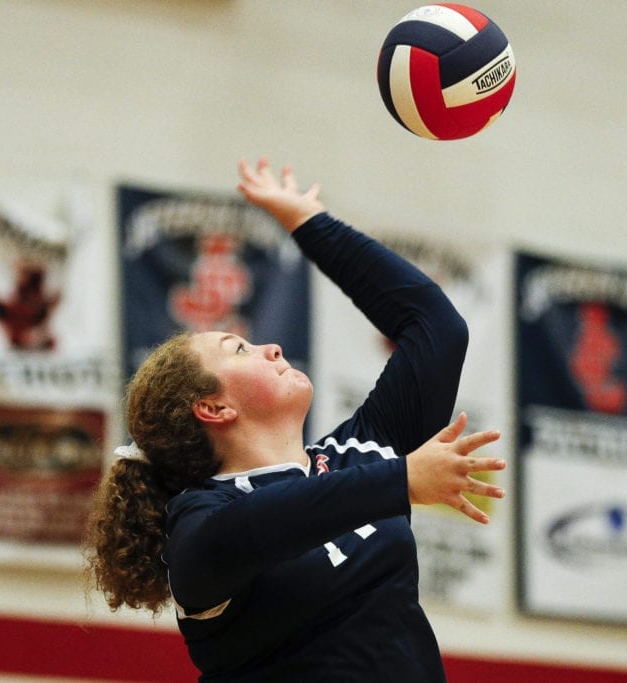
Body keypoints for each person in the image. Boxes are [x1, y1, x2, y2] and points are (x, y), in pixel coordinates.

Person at [85, 157, 506, 682]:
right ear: (213, 408)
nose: (271, 347)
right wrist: (402, 479)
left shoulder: (361, 453)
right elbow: (260, 523)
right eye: (239, 348)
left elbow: (436, 326)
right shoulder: (197, 527)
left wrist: (312, 223)